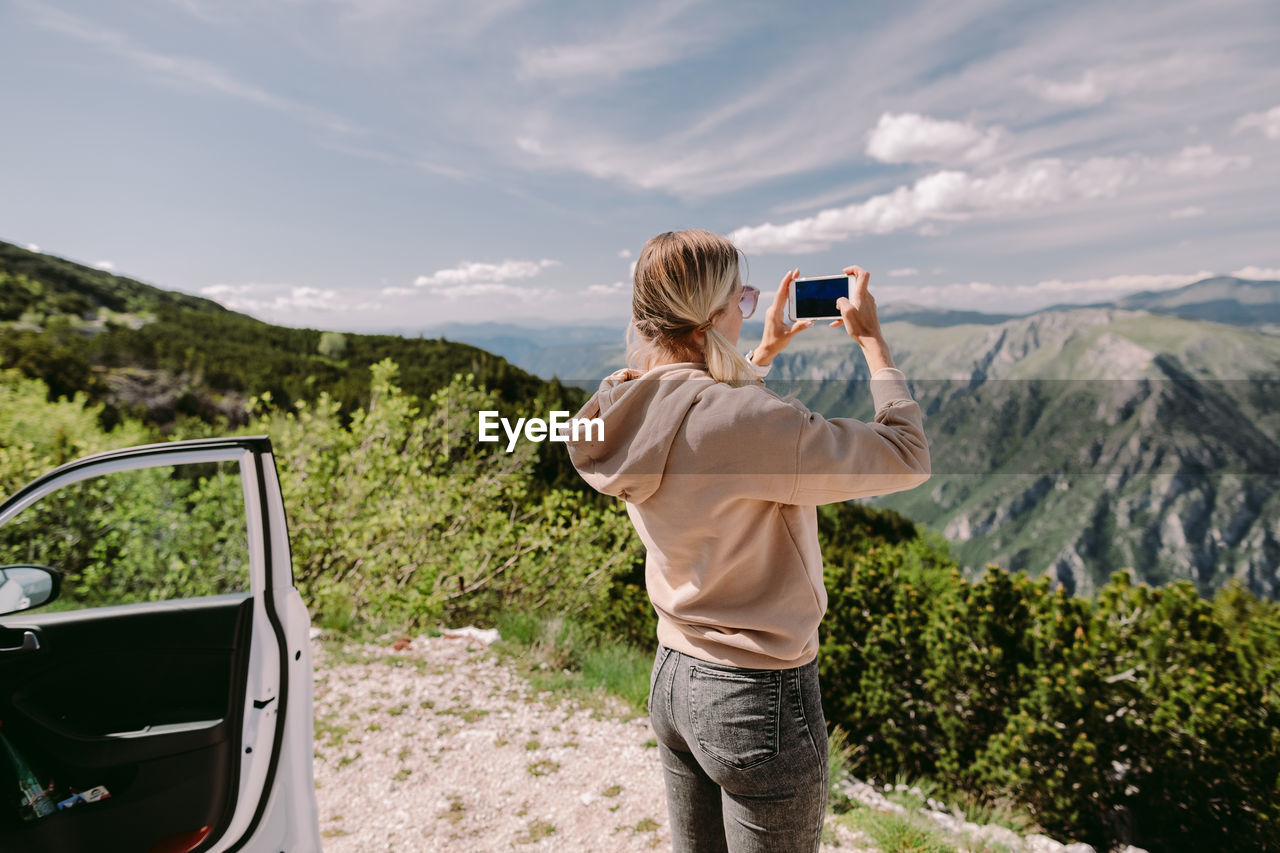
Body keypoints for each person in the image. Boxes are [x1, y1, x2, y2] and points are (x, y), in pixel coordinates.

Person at [566, 229, 930, 852]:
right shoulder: (747, 422)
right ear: (712, 315)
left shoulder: (614, 408)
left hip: (673, 675)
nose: (748, 307)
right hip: (757, 696)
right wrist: (874, 344)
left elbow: (698, 425)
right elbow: (906, 455)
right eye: (743, 298)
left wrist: (760, 353)